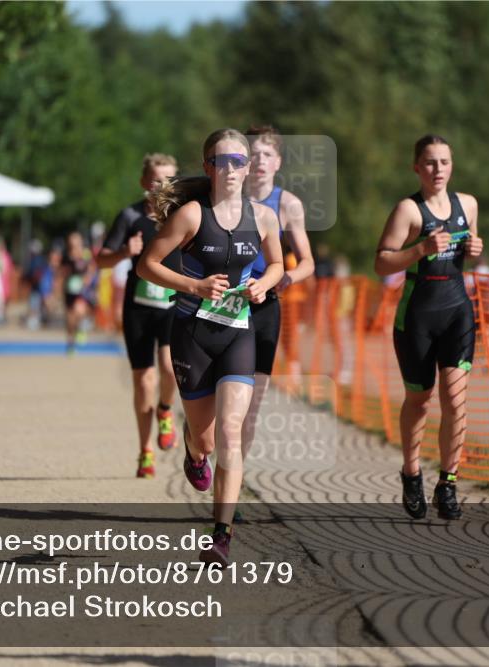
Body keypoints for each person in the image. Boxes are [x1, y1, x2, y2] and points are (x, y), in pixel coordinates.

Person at [139, 129, 283, 565]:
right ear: (209, 168)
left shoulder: (263, 218)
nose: (235, 169)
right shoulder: (190, 216)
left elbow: (277, 263)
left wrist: (263, 285)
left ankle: (221, 535)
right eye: (224, 161)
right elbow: (147, 265)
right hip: (192, 332)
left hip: (238, 331)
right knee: (204, 439)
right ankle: (190, 448)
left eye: (240, 161)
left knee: (230, 433)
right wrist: (194, 285)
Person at [374, 134, 483, 521]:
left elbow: (467, 248)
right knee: (419, 401)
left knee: (456, 400)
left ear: (452, 166)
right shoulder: (408, 210)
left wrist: (473, 250)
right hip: (417, 316)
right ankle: (411, 472)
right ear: (416, 167)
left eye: (445, 162)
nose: (438, 169)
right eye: (430, 162)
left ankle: (448, 482)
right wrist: (420, 249)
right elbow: (382, 263)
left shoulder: (467, 204)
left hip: (457, 312)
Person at [99, 154, 180, 477]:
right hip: (139, 307)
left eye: (169, 180)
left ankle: (165, 410)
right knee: (144, 381)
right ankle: (145, 450)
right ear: (144, 182)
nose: (162, 186)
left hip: (174, 303)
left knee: (170, 368)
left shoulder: (182, 214)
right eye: (157, 180)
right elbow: (100, 261)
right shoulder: (130, 216)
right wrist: (123, 252)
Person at [240, 125, 314, 472]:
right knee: (212, 403)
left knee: (251, 405)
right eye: (252, 153)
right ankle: (198, 448)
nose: (259, 160)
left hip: (265, 304)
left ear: (277, 162)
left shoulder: (288, 204)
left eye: (266, 154)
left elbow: (308, 262)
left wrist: (287, 276)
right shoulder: (226, 195)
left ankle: (231, 491)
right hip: (222, 302)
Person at [60, 232, 96, 352]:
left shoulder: (85, 254)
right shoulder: (66, 256)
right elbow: (61, 273)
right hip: (69, 290)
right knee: (70, 319)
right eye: (72, 242)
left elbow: (92, 268)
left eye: (76, 242)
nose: (74, 245)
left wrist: (87, 279)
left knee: (79, 311)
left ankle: (81, 328)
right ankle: (70, 341)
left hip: (82, 290)